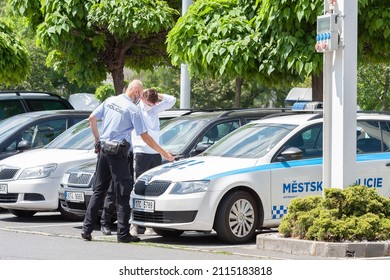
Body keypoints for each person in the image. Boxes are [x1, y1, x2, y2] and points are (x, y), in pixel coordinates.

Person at [81, 79, 174, 243]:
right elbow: (145, 136)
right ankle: (123, 234)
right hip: (118, 152)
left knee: (99, 190)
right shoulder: (133, 110)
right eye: (140, 93)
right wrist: (164, 152)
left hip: (103, 149)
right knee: (123, 192)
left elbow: (91, 118)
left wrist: (98, 140)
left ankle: (86, 229)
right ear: (137, 92)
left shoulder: (110, 101)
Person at [130, 88, 176, 237]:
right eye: (149, 103)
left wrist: (157, 96)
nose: (151, 106)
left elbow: (172, 100)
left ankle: (149, 224)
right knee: (138, 188)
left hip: (155, 152)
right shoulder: (137, 109)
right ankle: (134, 224)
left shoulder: (155, 108)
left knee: (153, 189)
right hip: (141, 152)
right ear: (143, 99)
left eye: (153, 104)